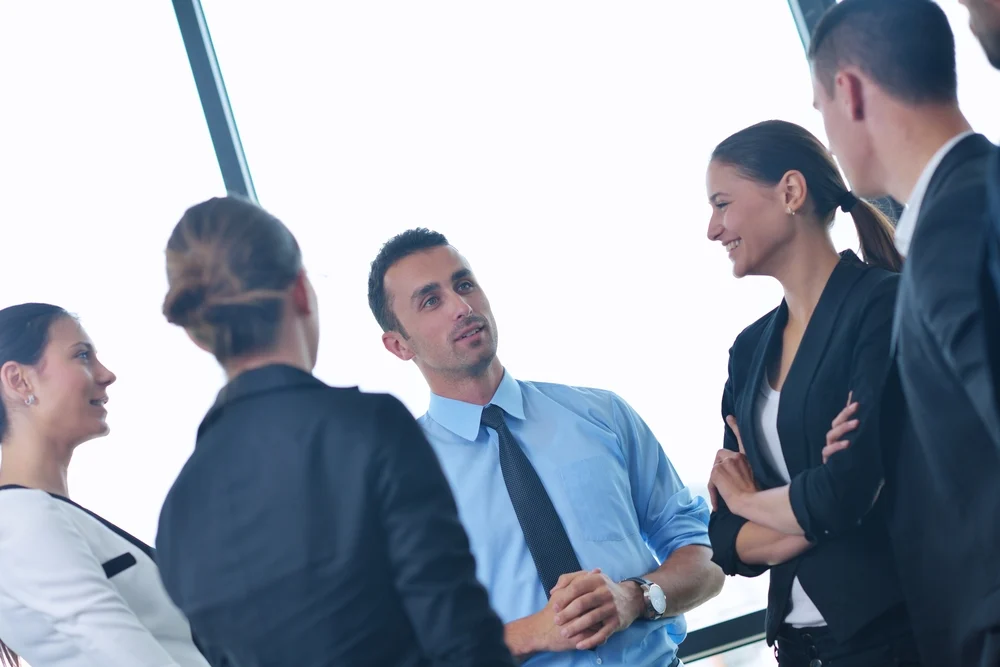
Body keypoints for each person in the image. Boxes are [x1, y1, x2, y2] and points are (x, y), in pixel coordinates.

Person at [155, 197, 514, 667]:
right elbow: (463, 640)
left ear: (197, 334)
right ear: (301, 291)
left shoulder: (178, 510)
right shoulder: (369, 429)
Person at [367, 229, 724, 667]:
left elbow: (707, 556)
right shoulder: (397, 480)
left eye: (464, 285)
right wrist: (528, 635)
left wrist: (635, 598)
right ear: (398, 344)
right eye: (430, 301)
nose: (462, 307)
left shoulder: (603, 416)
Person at [808, 1, 1000, 664]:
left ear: (849, 91)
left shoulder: (964, 222)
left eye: (819, 108)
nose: (827, 135)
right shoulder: (961, 211)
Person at [704, 120, 916, 667]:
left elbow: (846, 491)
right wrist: (819, 504)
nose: (712, 228)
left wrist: (755, 501)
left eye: (722, 203)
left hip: (892, 638)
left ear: (791, 192)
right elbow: (725, 538)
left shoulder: (880, 306)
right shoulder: (749, 351)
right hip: (796, 648)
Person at [0, 303, 209, 667]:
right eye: (82, 356)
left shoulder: (40, 513)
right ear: (19, 380)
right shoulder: (18, 518)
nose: (106, 374)